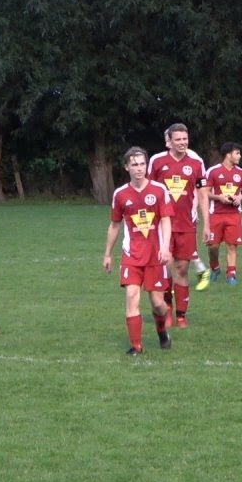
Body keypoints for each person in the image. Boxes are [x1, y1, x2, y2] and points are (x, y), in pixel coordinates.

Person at [102, 147, 174, 355]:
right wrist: (107, 253)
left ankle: (161, 329)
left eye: (142, 164)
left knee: (158, 303)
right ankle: (136, 346)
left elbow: (167, 220)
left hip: (155, 256)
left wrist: (165, 247)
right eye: (134, 164)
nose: (139, 168)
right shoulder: (121, 194)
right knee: (132, 296)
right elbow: (115, 225)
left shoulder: (159, 190)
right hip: (131, 255)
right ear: (126, 167)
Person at [148, 124, 210, 326]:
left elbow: (203, 194)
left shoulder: (196, 163)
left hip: (186, 224)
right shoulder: (157, 161)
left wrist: (207, 225)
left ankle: (182, 315)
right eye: (178, 139)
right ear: (170, 141)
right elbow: (149, 192)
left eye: (185, 139)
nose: (183, 142)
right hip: (161, 226)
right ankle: (167, 311)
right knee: (165, 269)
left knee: (182, 269)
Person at [205, 142, 242, 285]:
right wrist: (219, 197)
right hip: (216, 214)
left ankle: (231, 274)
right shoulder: (213, 171)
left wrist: (240, 197)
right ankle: (215, 268)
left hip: (234, 215)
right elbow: (205, 193)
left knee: (232, 245)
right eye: (237, 153)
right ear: (228, 154)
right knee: (213, 246)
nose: (240, 156)